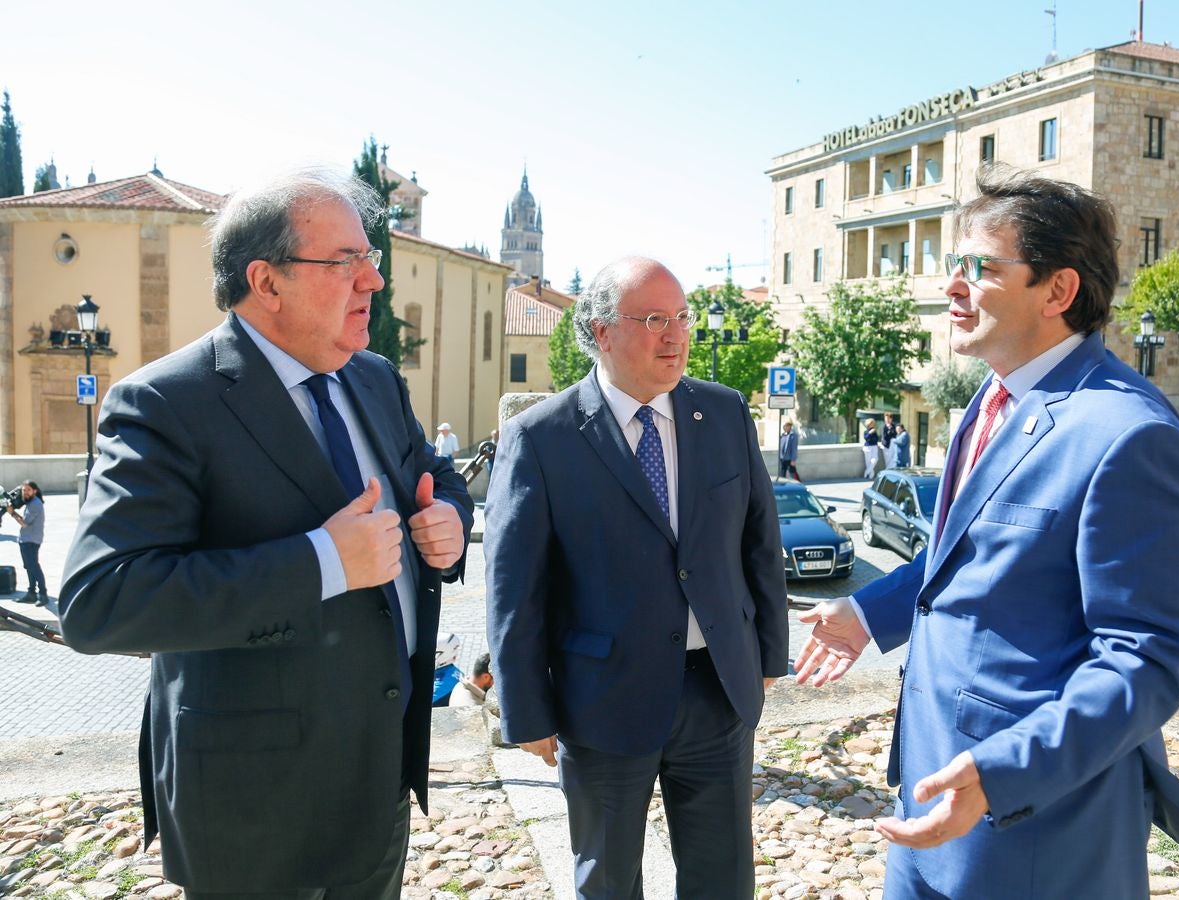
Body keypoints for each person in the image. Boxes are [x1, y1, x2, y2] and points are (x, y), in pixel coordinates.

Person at [793, 164, 1179, 899]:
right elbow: (972, 553)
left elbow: (1148, 656)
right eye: (954, 264)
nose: (952, 286)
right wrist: (870, 614)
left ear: (1058, 290)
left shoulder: (1130, 434)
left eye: (980, 268)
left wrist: (1005, 770)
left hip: (1035, 822)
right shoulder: (993, 395)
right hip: (933, 785)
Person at [58, 167, 475, 899]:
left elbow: (435, 473)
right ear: (266, 281)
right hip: (253, 808)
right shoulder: (165, 403)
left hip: (377, 783)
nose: (373, 281)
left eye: (371, 258)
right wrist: (323, 562)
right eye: (346, 262)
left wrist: (450, 520)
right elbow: (101, 602)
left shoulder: (374, 378)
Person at [485, 256, 787, 899]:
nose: (675, 335)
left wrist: (768, 656)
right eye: (653, 320)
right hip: (601, 702)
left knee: (724, 878)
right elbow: (515, 589)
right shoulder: (541, 437)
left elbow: (760, 543)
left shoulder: (725, 413)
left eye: (682, 317)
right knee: (608, 881)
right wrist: (526, 709)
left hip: (718, 692)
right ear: (601, 332)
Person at [8, 480, 46, 604]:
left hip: (31, 540)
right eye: (24, 490)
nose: (25, 493)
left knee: (34, 567)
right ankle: (31, 593)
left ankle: (43, 594)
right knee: (29, 567)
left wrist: (12, 513)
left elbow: (24, 523)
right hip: (26, 539)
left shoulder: (35, 504)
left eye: (28, 490)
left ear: (35, 491)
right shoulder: (31, 503)